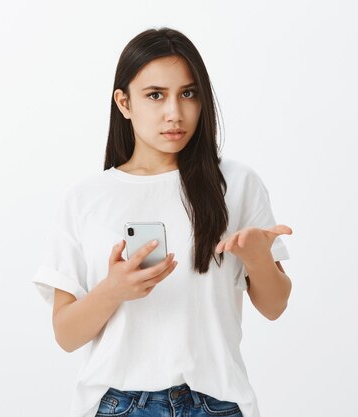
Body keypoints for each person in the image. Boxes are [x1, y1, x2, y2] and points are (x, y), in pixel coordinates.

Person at [32, 26, 293, 417]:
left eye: (188, 93)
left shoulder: (237, 184)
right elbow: (66, 335)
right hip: (120, 404)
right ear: (124, 103)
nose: (175, 113)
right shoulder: (86, 198)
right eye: (155, 95)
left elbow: (274, 306)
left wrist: (257, 257)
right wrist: (112, 290)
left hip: (216, 402)